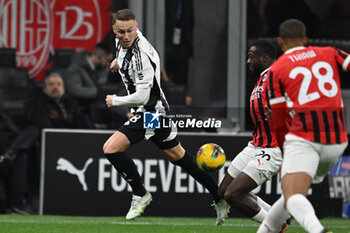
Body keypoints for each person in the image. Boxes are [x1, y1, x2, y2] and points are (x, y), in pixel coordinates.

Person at [103, 9, 230, 224]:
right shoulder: (123, 43)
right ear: (114, 30)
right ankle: (219, 197)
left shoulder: (140, 54)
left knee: (110, 148)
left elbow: (142, 96)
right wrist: (118, 62)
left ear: (137, 28)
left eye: (130, 30)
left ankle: (140, 193)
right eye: (121, 31)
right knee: (179, 157)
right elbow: (126, 55)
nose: (126, 35)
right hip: (155, 112)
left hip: (151, 113)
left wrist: (116, 100)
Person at [257, 19, 349, 233]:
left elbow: (279, 123)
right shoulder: (329, 52)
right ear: (306, 39)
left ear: (280, 42)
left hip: (305, 138)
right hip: (337, 142)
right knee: (291, 193)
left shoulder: (276, 70)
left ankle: (317, 230)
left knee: (294, 195)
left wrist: (282, 155)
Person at [218, 40, 287, 230]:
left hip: (274, 148)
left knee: (234, 195)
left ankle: (276, 225)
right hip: (255, 145)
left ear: (264, 58)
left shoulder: (277, 78)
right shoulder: (261, 80)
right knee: (224, 191)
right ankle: (274, 213)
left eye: (251, 57)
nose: (248, 61)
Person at [0, 107, 39, 214]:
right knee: (20, 157)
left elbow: (14, 134)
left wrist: (8, 152)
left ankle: (10, 155)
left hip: (9, 153)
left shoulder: (4, 116)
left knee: (32, 131)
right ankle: (18, 202)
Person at [27, 73, 92, 130]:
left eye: (59, 84)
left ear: (63, 89)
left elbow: (82, 123)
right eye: (51, 84)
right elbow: (44, 127)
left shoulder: (71, 104)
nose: (55, 87)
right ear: (44, 89)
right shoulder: (39, 105)